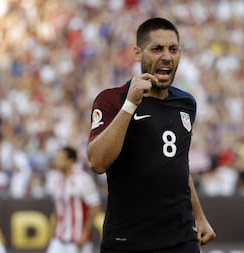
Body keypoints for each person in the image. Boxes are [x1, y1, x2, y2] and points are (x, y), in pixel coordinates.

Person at [87, 17, 216, 252]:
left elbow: (179, 164)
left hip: (181, 239)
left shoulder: (185, 103)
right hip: (128, 241)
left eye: (173, 49)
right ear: (138, 53)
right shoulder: (112, 99)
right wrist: (130, 105)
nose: (166, 56)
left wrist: (199, 216)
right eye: (157, 49)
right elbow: (97, 162)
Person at [46, 146, 101, 253]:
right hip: (59, 236)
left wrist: (85, 233)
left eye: (60, 158)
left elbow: (95, 208)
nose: (57, 161)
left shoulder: (83, 179)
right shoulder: (55, 179)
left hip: (77, 239)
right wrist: (53, 230)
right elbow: (57, 208)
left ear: (70, 161)